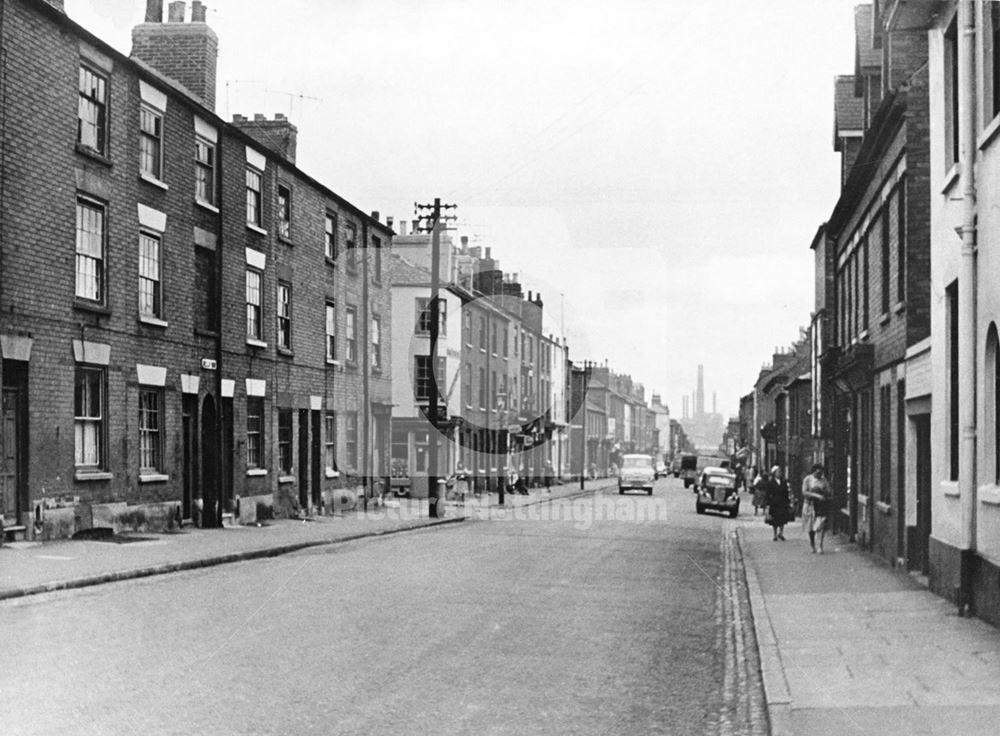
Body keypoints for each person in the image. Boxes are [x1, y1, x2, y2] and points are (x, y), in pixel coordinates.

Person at [801, 464, 832, 553]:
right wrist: (816, 495)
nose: (820, 475)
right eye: (818, 473)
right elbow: (804, 492)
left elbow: (829, 490)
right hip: (810, 505)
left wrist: (825, 492)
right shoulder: (807, 479)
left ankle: (820, 545)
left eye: (821, 473)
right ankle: (812, 544)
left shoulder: (824, 480)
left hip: (820, 506)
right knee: (811, 527)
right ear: (814, 472)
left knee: (820, 525)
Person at [764, 465, 792, 541]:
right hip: (774, 503)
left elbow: (786, 492)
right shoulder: (770, 482)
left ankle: (781, 533)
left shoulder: (783, 482)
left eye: (780, 472)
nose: (779, 473)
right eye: (778, 472)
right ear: (774, 473)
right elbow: (767, 493)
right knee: (775, 519)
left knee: (782, 519)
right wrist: (767, 504)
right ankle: (775, 534)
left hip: (782, 502)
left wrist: (788, 502)